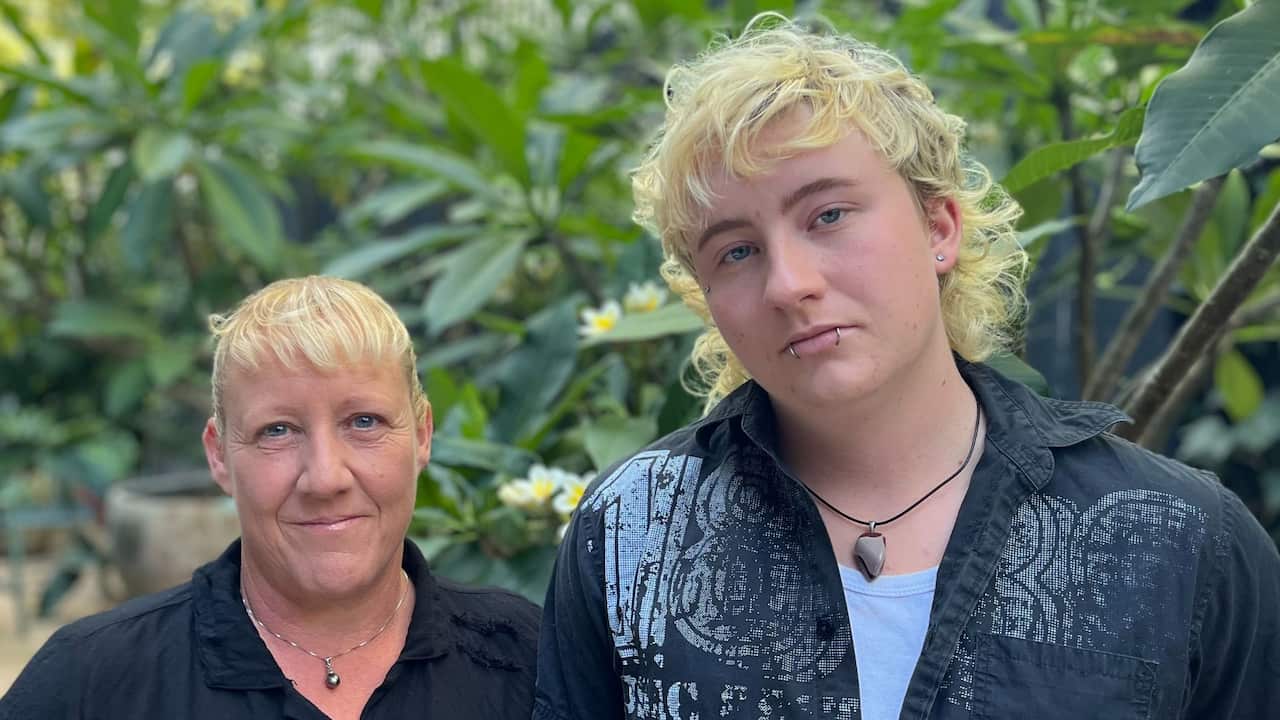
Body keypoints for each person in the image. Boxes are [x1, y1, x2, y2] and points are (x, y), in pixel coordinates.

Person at [534, 15, 1280, 720]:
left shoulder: (1181, 543)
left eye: (828, 215)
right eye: (735, 251)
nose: (789, 283)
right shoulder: (635, 532)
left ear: (939, 227)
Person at [1, 276, 540, 720]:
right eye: (277, 431)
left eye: (364, 422)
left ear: (422, 435)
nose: (325, 478)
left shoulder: (527, 661)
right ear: (218, 456)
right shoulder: (92, 684)